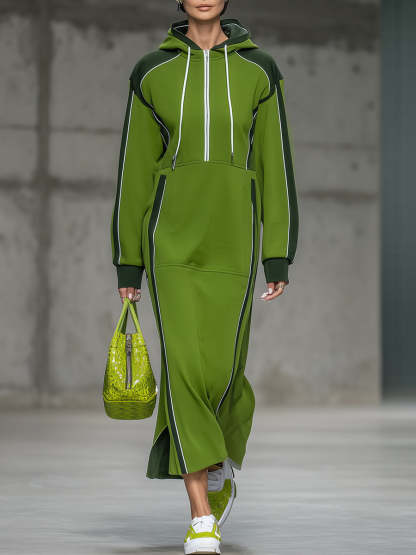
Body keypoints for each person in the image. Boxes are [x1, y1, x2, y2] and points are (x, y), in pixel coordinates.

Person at [110, 0, 299, 553]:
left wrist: (278, 252)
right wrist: (128, 258)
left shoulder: (260, 70)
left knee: (224, 370)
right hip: (170, 237)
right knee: (185, 368)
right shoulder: (152, 72)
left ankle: (217, 462)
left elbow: (276, 164)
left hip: (234, 236)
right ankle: (200, 514)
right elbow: (133, 169)